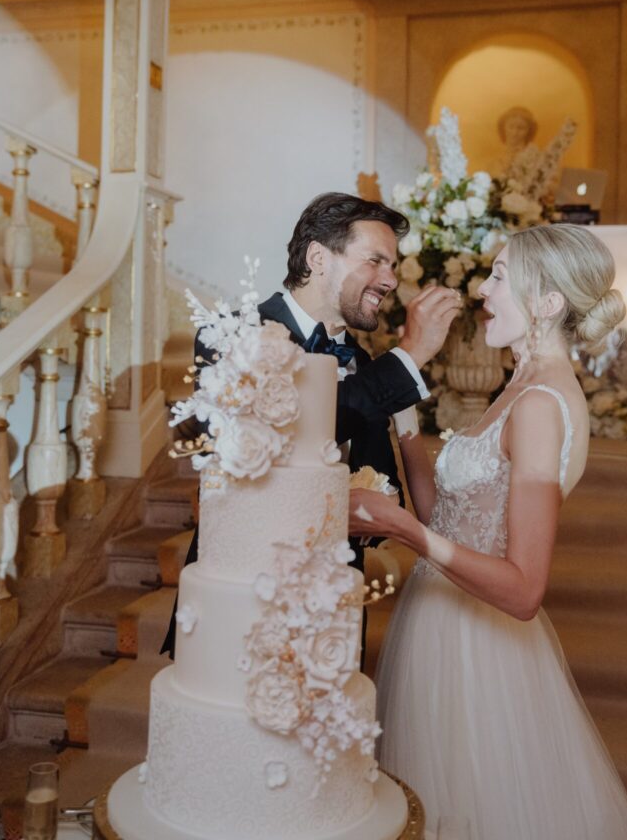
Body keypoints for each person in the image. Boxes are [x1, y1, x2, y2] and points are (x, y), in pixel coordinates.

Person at [349, 223, 627, 840]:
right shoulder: (520, 386)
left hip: (480, 653)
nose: (484, 289)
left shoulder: (540, 406)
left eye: (502, 277)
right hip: (439, 623)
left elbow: (522, 590)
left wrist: (407, 533)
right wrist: (406, 424)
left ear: (549, 302)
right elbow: (448, 518)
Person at [160, 191, 461, 658]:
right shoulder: (235, 334)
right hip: (244, 606)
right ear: (319, 257)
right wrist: (409, 358)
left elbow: (383, 491)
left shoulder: (364, 365)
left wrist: (373, 508)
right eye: (376, 261)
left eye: (393, 266)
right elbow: (284, 436)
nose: (389, 280)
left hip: (331, 622)